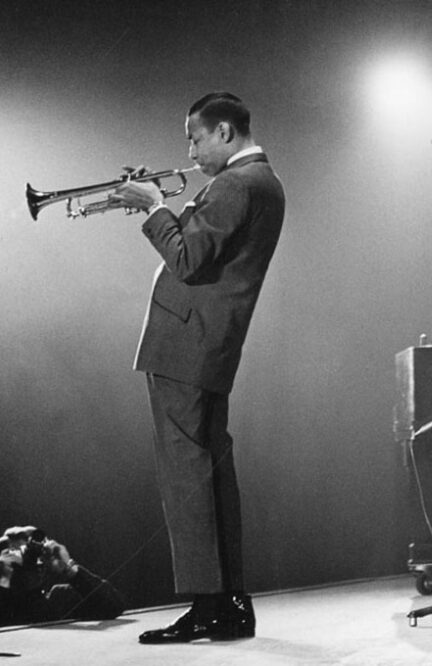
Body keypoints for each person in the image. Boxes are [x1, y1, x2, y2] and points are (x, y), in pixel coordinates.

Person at [111, 92, 285, 643]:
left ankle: (208, 605)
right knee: (211, 478)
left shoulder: (236, 184)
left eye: (195, 138)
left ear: (225, 132)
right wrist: (164, 208)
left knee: (187, 479)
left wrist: (154, 207)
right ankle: (230, 604)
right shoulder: (263, 183)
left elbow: (187, 258)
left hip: (186, 347)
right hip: (209, 346)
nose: (189, 151)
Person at [0, 526, 126, 626]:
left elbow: (113, 606)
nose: (31, 563)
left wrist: (68, 568)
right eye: (14, 553)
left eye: (37, 559)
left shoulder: (59, 600)